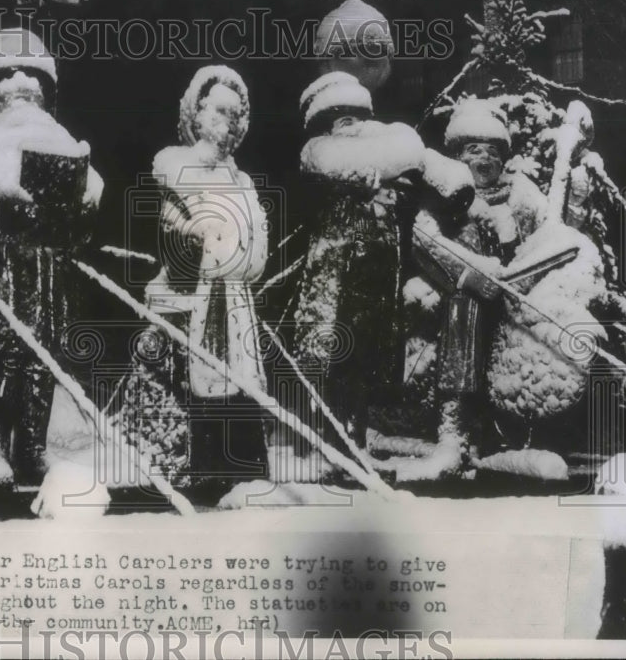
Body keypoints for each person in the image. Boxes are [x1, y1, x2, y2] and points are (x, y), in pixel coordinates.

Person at [0, 28, 103, 486]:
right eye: (10, 81)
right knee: (3, 355)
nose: (19, 87)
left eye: (28, 80)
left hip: (47, 263)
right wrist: (1, 202)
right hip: (6, 262)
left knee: (42, 358)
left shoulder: (58, 136)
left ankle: (31, 447)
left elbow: (90, 192)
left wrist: (70, 205)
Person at [136, 65, 270, 501]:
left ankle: (244, 468)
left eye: (235, 113)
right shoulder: (174, 168)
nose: (227, 121)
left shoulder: (243, 182)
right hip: (189, 298)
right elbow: (175, 230)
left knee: (239, 380)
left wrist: (237, 257)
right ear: (196, 114)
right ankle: (199, 469)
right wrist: (197, 238)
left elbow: (255, 246)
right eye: (218, 110)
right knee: (199, 379)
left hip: (234, 301)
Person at [289, 71, 426, 459]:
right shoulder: (317, 152)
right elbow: (330, 167)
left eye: (354, 120)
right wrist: (371, 178)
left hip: (374, 274)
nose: (349, 130)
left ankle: (354, 442)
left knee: (363, 364)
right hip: (333, 272)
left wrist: (380, 180)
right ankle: (321, 444)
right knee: (327, 358)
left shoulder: (387, 146)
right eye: (340, 121)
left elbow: (410, 161)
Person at [410, 97, 546, 475]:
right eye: (473, 150)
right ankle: (454, 425)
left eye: (492, 151)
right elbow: (422, 239)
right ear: (457, 154)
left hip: (513, 292)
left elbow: (549, 234)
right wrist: (470, 275)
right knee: (463, 306)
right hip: (456, 297)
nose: (483, 160)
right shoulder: (442, 195)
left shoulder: (521, 195)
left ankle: (525, 417)